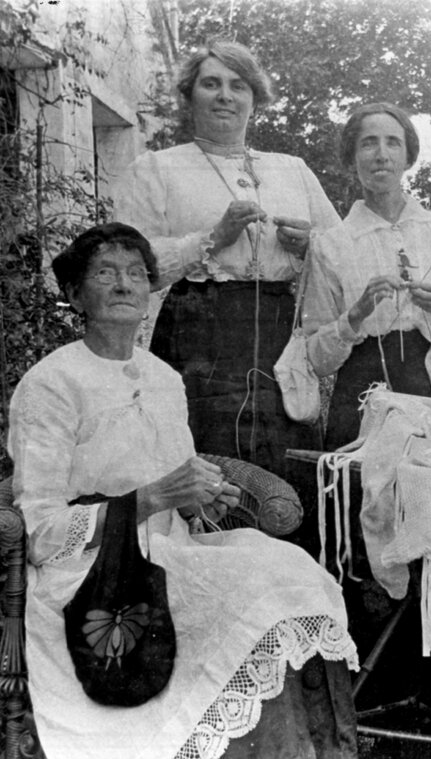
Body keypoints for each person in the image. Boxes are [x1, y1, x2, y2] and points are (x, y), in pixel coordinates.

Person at [7, 223, 360, 759]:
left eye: (137, 274)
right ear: (75, 295)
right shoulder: (51, 385)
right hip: (90, 573)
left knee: (292, 572)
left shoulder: (165, 378)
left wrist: (204, 497)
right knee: (254, 588)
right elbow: (39, 532)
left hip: (174, 545)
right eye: (105, 273)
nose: (124, 285)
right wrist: (151, 499)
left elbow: (181, 477)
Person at [114, 40, 341, 475]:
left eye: (238, 85)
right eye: (211, 84)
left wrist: (311, 245)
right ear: (189, 96)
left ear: (255, 98)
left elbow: (344, 258)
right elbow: (134, 269)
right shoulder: (157, 168)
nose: (225, 96)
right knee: (205, 462)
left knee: (287, 465)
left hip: (280, 332)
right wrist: (213, 238)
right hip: (198, 331)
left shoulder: (292, 169)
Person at [302, 102, 431, 449]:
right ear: (351, 157)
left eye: (393, 143)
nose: (381, 155)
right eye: (368, 143)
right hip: (359, 396)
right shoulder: (331, 245)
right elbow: (316, 356)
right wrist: (355, 315)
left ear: (408, 157)